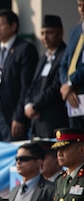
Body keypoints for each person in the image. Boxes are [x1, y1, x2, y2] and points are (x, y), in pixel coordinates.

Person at [0, 9, 38, 142]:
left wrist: (19, 116)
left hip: (12, 115)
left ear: (13, 26)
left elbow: (26, 86)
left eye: (0, 25)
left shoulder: (25, 49)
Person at [24, 15, 68, 139]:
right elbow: (32, 85)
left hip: (53, 120)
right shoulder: (43, 58)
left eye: (50, 33)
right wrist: (28, 104)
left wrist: (35, 106)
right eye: (42, 33)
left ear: (60, 33)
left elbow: (56, 87)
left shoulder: (65, 55)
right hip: (37, 123)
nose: (45, 37)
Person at [59, 0, 84, 129]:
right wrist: (66, 86)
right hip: (74, 99)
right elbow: (64, 63)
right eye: (79, 5)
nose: (82, 10)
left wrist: (70, 83)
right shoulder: (75, 31)